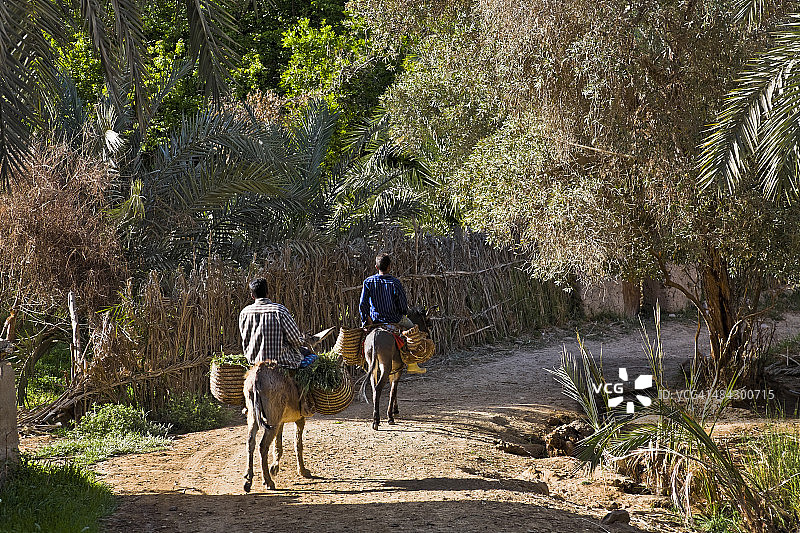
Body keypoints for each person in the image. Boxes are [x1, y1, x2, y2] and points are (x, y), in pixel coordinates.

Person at [359, 253, 426, 373]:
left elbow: (362, 304)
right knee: (413, 329)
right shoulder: (395, 283)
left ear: (376, 267)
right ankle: (412, 364)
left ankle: (361, 362)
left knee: (359, 339)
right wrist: (404, 312)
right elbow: (402, 305)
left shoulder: (368, 282)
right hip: (394, 319)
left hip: (375, 320)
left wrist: (366, 320)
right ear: (389, 267)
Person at [239, 278, 316, 369]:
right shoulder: (280, 311)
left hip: (253, 361)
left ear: (252, 295)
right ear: (268, 293)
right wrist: (303, 340)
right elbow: (295, 340)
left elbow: (245, 338)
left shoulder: (244, 313)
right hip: (280, 361)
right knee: (314, 357)